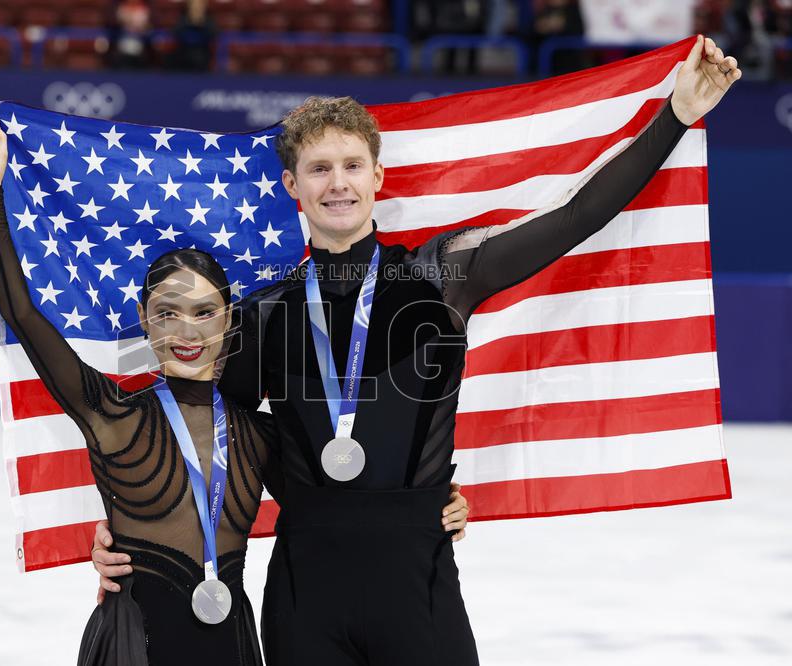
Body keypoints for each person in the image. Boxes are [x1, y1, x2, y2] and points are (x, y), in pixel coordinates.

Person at [92, 35, 740, 665]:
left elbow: (574, 219)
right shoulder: (267, 313)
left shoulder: (440, 277)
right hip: (303, 592)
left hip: (418, 581)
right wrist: (136, 531)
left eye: (351, 165)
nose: (337, 183)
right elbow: (209, 438)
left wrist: (676, 116)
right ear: (293, 183)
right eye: (319, 168)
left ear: (379, 174)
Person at [0, 107, 280, 665]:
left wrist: (432, 504)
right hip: (134, 644)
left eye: (205, 312)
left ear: (230, 318)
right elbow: (23, 312)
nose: (187, 331)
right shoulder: (113, 413)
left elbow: (338, 503)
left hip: (231, 647)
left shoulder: (258, 432)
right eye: (168, 313)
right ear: (144, 319)